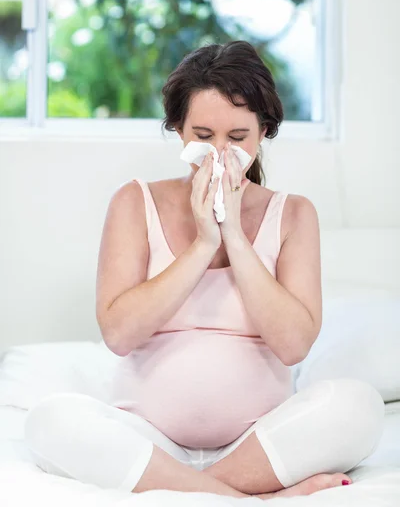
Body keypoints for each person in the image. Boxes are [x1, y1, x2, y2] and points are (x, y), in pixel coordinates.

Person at [24, 41, 384, 500]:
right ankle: (252, 498)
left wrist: (234, 235)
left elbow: (294, 345)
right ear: (177, 130)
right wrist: (203, 244)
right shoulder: (135, 201)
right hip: (148, 443)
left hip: (262, 446)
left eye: (237, 138)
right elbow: (117, 334)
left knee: (359, 407)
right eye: (202, 135)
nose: (219, 153)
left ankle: (187, 492)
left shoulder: (293, 214)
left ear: (263, 132)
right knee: (49, 421)